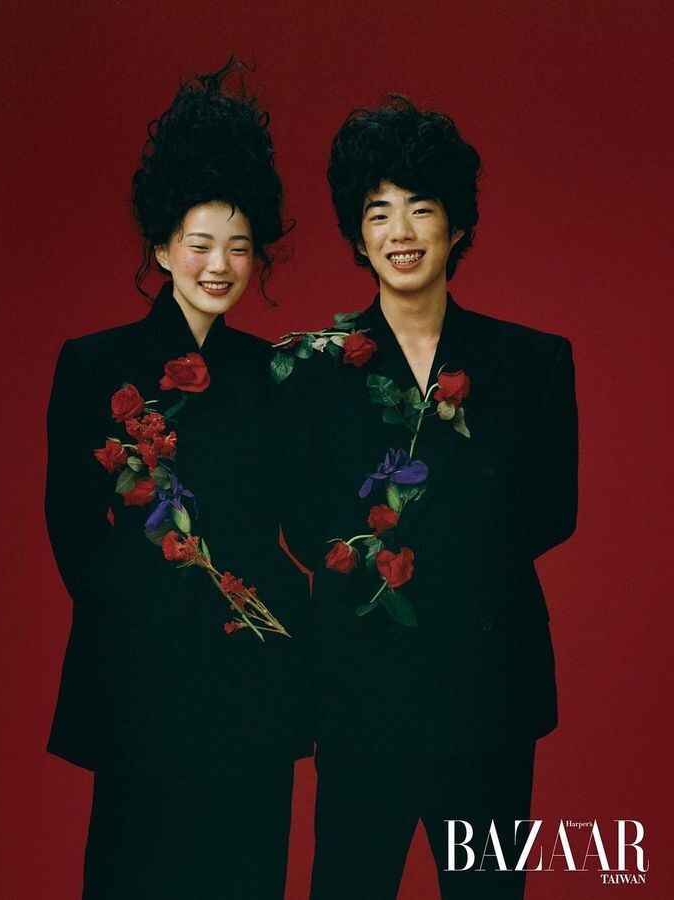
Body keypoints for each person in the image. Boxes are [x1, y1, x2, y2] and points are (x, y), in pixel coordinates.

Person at [277, 96, 578, 899]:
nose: (400, 231)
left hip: (487, 691)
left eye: (421, 207)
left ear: (457, 225)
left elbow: (553, 511)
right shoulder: (311, 372)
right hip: (359, 693)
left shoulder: (533, 363)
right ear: (357, 233)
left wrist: (437, 561)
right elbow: (304, 524)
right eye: (378, 212)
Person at [45, 60, 310, 899]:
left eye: (239, 247)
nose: (219, 264)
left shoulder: (275, 373)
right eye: (200, 244)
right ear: (162, 248)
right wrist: (137, 614)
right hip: (141, 678)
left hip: (251, 676)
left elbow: (299, 515)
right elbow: (71, 525)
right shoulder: (95, 365)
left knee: (246, 874)